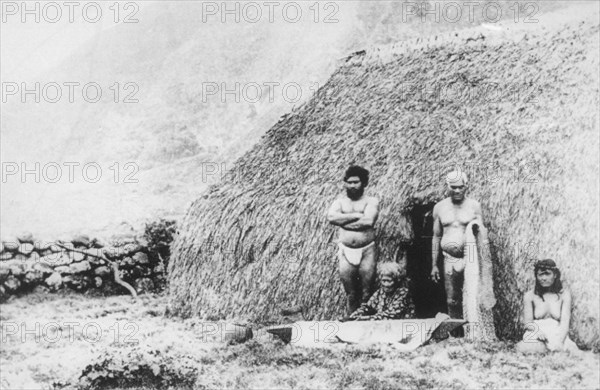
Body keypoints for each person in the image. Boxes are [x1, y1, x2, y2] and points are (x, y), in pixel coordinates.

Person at [430, 170, 496, 340]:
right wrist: (434, 265)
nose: (457, 191)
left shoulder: (474, 206)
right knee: (452, 299)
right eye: (453, 187)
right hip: (449, 258)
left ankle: (472, 334)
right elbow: (436, 236)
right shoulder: (440, 207)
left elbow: (481, 233)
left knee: (471, 296)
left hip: (470, 258)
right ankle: (456, 335)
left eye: (461, 187)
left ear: (466, 186)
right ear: (448, 187)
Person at [327, 165, 380, 314]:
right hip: (346, 250)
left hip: (367, 250)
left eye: (356, 182)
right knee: (350, 293)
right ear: (345, 183)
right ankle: (351, 320)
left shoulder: (371, 201)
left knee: (366, 292)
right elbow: (331, 217)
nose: (352, 185)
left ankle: (365, 321)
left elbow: (369, 221)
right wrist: (356, 216)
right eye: (349, 182)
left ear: (364, 183)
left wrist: (344, 222)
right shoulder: (339, 202)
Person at [517, 259, 579, 353]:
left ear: (555, 275)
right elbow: (528, 322)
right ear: (536, 276)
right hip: (536, 332)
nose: (544, 278)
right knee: (532, 349)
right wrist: (537, 332)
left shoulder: (564, 295)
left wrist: (560, 342)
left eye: (547, 274)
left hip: (557, 332)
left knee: (571, 351)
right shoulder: (530, 296)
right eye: (540, 274)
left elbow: (564, 324)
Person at [345, 262, 415, 321]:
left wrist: (364, 318)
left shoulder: (403, 293)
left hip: (401, 326)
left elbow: (390, 315)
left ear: (396, 280)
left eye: (389, 281)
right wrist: (354, 316)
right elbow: (368, 307)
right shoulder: (380, 292)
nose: (386, 284)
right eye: (384, 281)